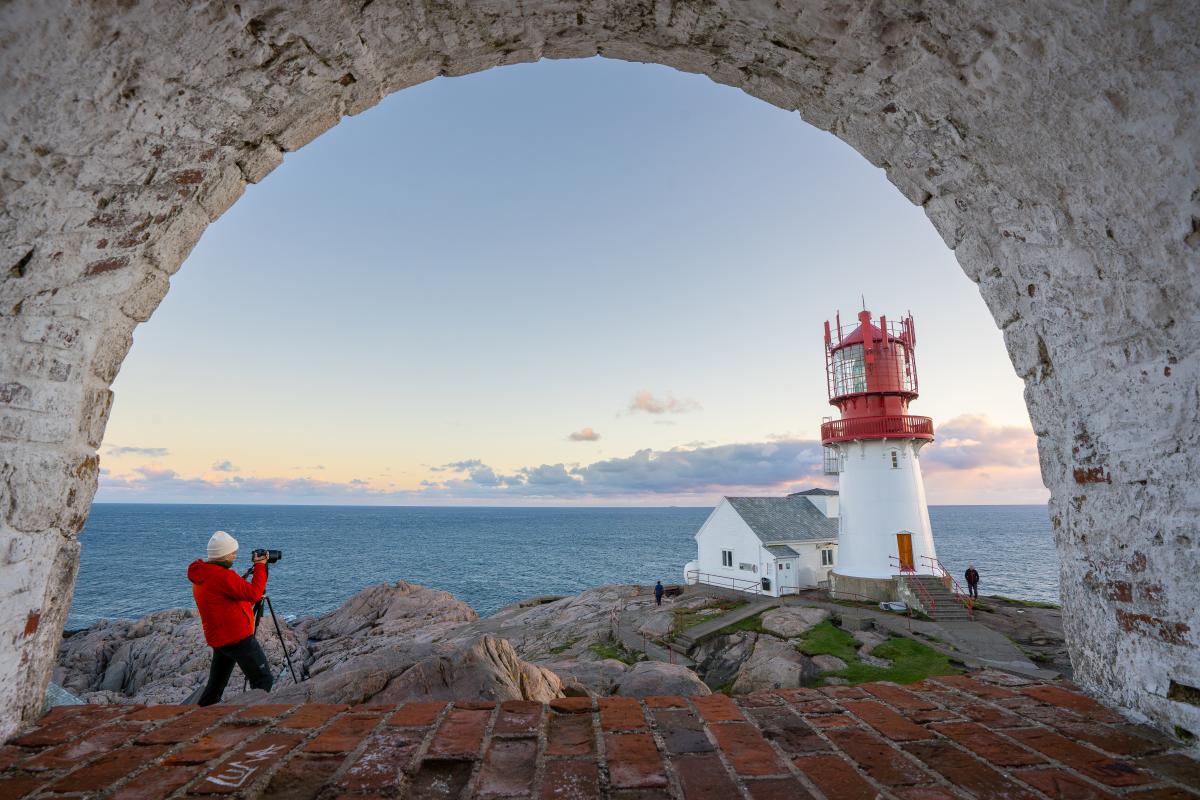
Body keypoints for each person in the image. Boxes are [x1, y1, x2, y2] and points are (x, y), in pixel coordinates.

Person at [188, 531, 273, 705]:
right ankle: (251, 716)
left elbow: (223, 601)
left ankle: (199, 718)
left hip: (220, 638)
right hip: (237, 638)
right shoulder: (223, 576)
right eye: (232, 553)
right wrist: (260, 566)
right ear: (222, 555)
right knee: (264, 679)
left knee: (215, 687)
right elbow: (254, 594)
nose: (235, 556)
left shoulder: (203, 573)